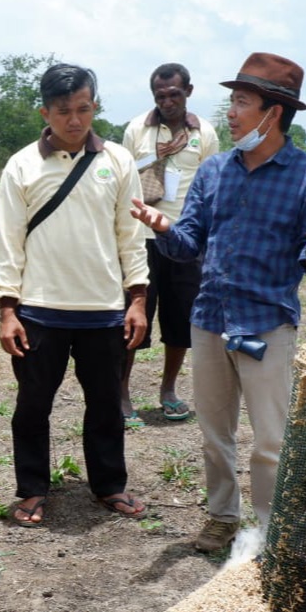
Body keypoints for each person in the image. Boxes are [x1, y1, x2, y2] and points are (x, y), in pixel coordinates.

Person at [130, 52, 306, 552]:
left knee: (271, 440)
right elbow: (189, 243)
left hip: (267, 327)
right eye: (231, 102)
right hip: (209, 321)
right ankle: (221, 517)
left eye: (241, 103)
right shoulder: (213, 172)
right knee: (215, 433)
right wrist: (164, 227)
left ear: (273, 112)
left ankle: (270, 532)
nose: (229, 113)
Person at [0, 63, 150, 527]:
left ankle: (109, 485)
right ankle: (32, 489)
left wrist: (137, 299)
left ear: (95, 106)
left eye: (83, 109)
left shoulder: (118, 162)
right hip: (39, 311)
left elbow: (130, 236)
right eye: (64, 111)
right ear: (45, 111)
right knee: (32, 406)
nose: (75, 120)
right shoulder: (21, 165)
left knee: (106, 404)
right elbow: (8, 241)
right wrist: (8, 309)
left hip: (103, 310)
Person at [120, 62, 219, 425]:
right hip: (141, 239)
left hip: (185, 241)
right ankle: (123, 393)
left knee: (180, 321)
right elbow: (123, 181)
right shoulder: (136, 130)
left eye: (174, 94)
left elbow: (211, 188)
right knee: (134, 318)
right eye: (160, 96)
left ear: (188, 92)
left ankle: (168, 390)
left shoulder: (205, 134)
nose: (167, 102)